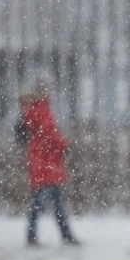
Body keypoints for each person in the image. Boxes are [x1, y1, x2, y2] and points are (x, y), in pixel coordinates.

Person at [19, 80, 80, 246]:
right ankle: (54, 235)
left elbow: (46, 134)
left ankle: (59, 234)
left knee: (50, 203)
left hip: (46, 164)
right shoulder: (40, 111)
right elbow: (49, 134)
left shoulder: (36, 110)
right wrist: (63, 145)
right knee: (45, 204)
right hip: (46, 164)